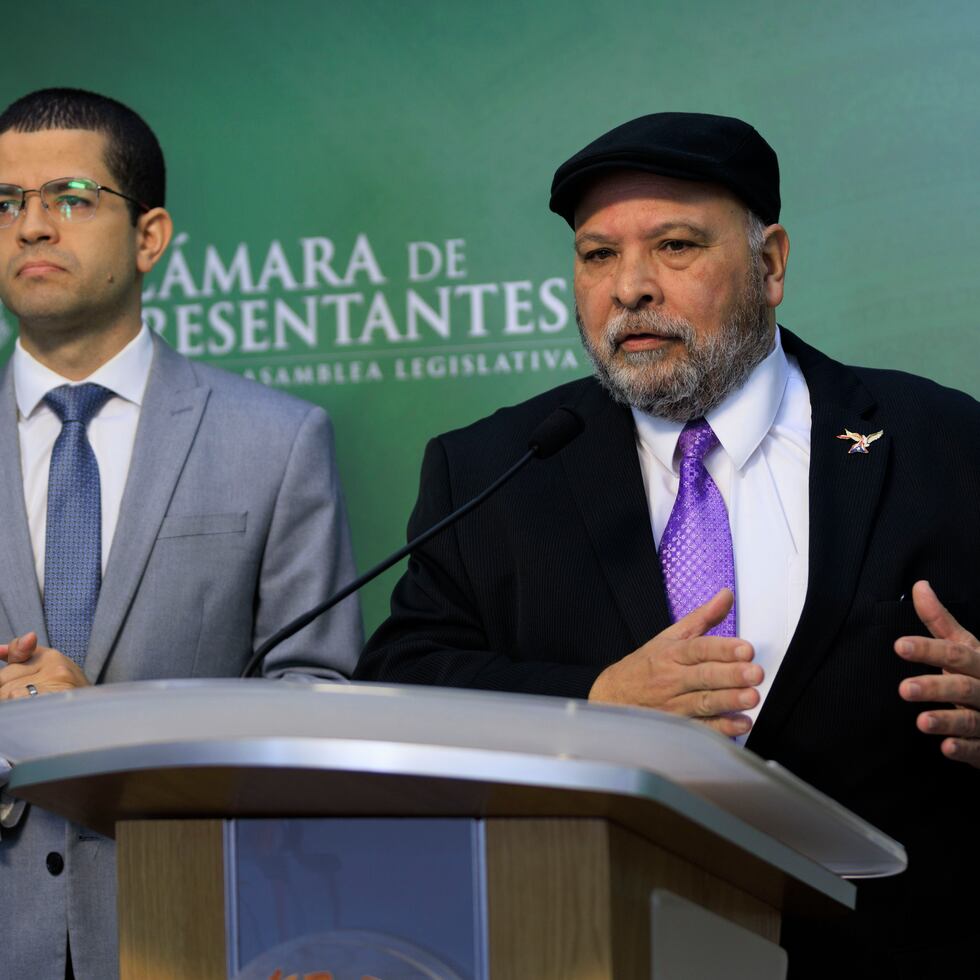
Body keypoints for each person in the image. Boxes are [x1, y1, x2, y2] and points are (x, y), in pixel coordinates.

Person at [355, 112, 980, 976]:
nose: (631, 287)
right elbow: (401, 682)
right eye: (597, 254)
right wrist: (594, 702)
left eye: (676, 246)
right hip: (591, 945)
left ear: (771, 264)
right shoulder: (494, 469)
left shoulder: (944, 441)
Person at [0, 88, 363, 980]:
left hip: (194, 924)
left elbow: (316, 711)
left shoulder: (276, 441)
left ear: (150, 237)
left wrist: (110, 730)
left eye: (71, 198)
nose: (33, 226)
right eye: (6, 203)